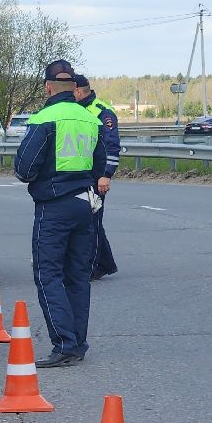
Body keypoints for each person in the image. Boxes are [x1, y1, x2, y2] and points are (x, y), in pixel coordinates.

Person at [13, 59, 106, 368]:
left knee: (48, 273)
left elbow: (25, 169)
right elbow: (98, 166)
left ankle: (64, 343)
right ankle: (77, 342)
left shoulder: (45, 118)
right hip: (85, 204)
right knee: (78, 275)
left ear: (48, 87)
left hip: (54, 206)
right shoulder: (90, 119)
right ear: (74, 87)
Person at [71, 73, 120, 279]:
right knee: (88, 220)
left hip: (96, 175)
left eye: (71, 91)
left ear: (80, 91)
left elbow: (112, 146)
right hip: (79, 174)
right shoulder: (75, 110)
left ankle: (92, 267)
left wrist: (106, 175)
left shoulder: (101, 112)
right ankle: (105, 263)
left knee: (92, 221)